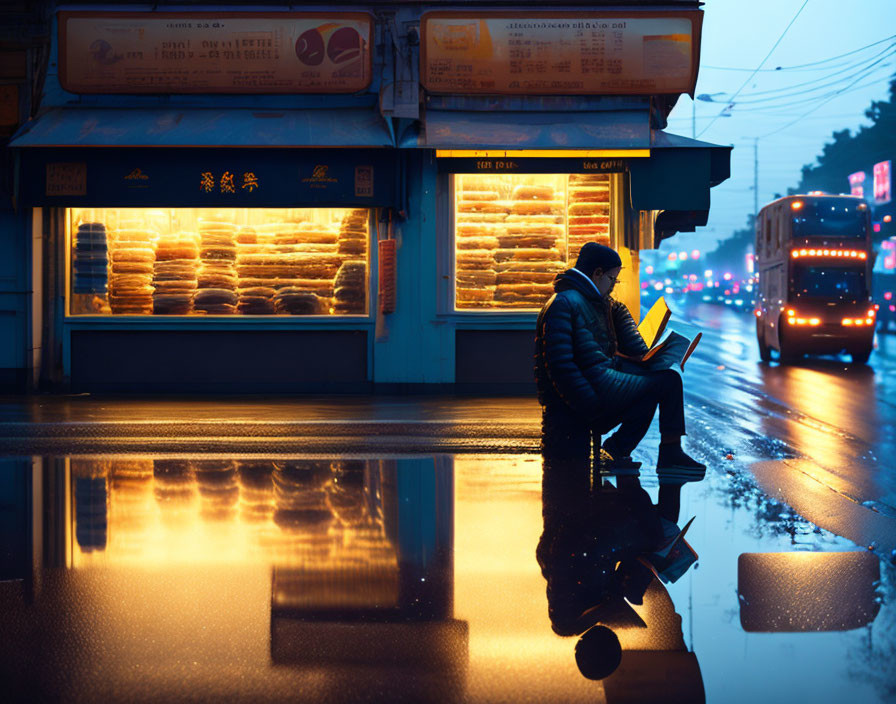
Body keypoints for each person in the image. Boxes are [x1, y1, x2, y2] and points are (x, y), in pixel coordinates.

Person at [534, 242, 705, 476]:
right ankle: (666, 454)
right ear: (597, 273)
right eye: (612, 280)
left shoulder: (592, 301)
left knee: (657, 382)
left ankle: (618, 449)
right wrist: (589, 405)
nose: (613, 287)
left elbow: (628, 345)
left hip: (599, 380)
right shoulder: (565, 304)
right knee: (667, 382)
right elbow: (561, 367)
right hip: (592, 390)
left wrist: (618, 313)